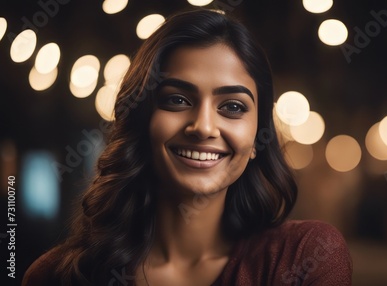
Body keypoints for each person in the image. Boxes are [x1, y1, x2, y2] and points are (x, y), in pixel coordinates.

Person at [22, 9, 352, 286]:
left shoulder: (304, 256)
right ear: (143, 120)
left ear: (257, 138)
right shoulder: (55, 275)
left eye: (233, 107)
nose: (204, 127)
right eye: (177, 100)